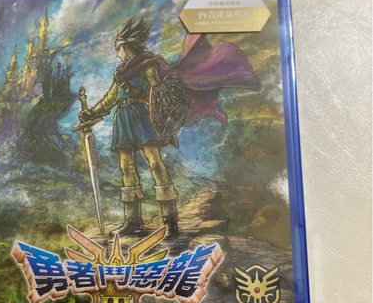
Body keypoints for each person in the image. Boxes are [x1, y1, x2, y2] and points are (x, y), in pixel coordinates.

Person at [79, 17, 259, 236]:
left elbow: (161, 95)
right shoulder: (120, 73)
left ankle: (170, 220)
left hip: (143, 118)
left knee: (155, 163)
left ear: (128, 46)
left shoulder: (148, 66)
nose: (118, 53)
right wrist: (92, 112)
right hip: (123, 119)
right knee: (126, 167)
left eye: (119, 48)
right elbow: (110, 98)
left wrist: (143, 98)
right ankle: (132, 221)